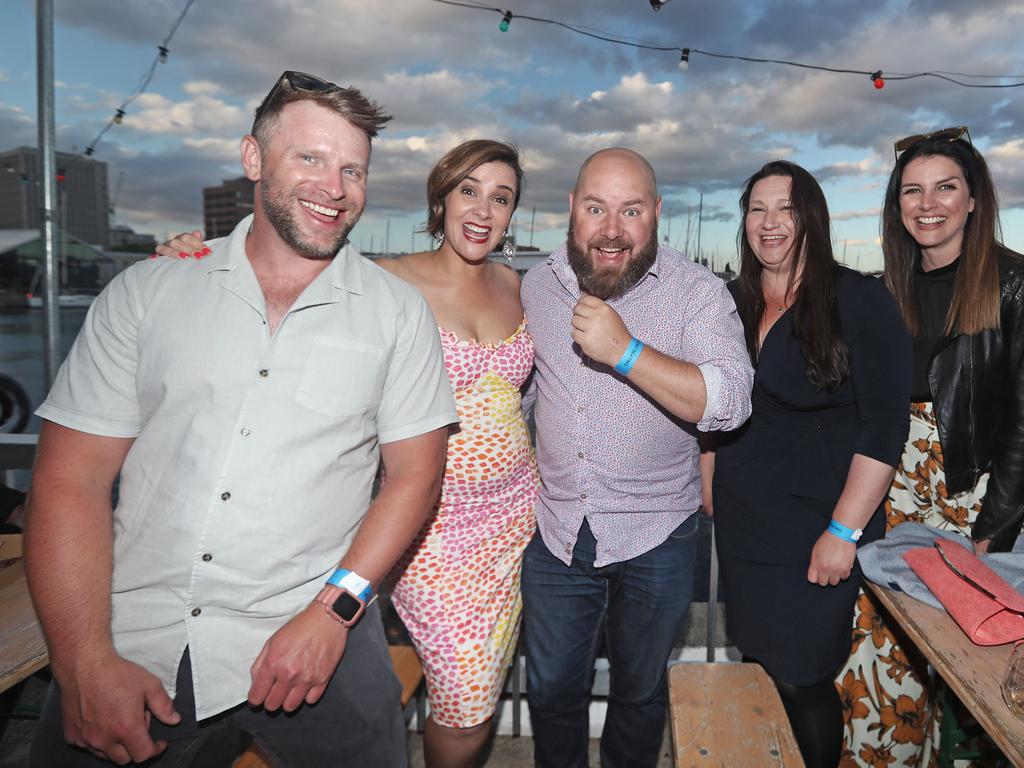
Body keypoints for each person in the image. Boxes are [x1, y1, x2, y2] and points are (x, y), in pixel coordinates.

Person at [24, 71, 456, 767]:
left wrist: (333, 612)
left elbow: (416, 476)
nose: (335, 187)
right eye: (310, 158)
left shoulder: (397, 312)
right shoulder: (146, 291)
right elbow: (70, 478)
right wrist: (82, 662)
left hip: (319, 625)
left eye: (353, 169)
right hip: (138, 634)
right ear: (254, 159)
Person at [156, 139, 538, 768]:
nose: (483, 210)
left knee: (478, 686)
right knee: (467, 695)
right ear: (439, 199)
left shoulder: (520, 286)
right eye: (468, 190)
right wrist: (191, 261)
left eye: (502, 198)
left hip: (514, 521)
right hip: (426, 526)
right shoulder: (383, 279)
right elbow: (273, 275)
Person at [519, 147, 754, 768]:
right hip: (557, 530)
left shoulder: (697, 292)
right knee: (548, 693)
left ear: (656, 214)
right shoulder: (537, 284)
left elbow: (731, 401)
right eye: (596, 208)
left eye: (630, 211)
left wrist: (626, 352)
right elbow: (525, 392)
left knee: (641, 692)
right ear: (572, 211)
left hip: (659, 537)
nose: (612, 230)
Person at [702, 160, 911, 768]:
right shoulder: (733, 301)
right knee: (760, 666)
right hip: (746, 523)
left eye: (785, 208)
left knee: (802, 676)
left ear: (811, 218)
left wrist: (843, 532)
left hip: (819, 525)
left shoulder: (860, 299)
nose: (769, 223)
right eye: (757, 209)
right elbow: (715, 401)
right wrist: (709, 475)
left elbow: (884, 427)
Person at [839, 127, 1024, 766]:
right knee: (876, 661)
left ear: (974, 198)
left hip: (970, 499)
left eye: (946, 187)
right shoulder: (884, 291)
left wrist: (995, 527)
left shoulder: (1014, 284)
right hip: (884, 491)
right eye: (912, 191)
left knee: (972, 669)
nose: (928, 203)